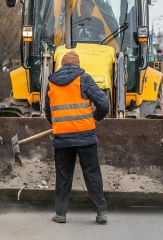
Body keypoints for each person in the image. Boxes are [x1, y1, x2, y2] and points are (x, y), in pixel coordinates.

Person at [45, 51, 109, 224]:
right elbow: (104, 104)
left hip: (62, 137)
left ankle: (60, 214)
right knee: (92, 173)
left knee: (63, 176)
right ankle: (101, 212)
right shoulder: (84, 78)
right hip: (85, 136)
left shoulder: (51, 82)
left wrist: (59, 124)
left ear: (62, 65)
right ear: (77, 65)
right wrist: (95, 117)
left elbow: (48, 111)